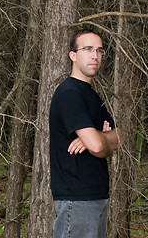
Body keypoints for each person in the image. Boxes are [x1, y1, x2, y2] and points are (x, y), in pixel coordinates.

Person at [49, 28, 123, 238]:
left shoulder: (91, 95)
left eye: (99, 50)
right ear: (73, 55)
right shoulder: (69, 94)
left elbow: (119, 138)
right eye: (88, 49)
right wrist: (97, 139)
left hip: (96, 196)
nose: (95, 55)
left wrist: (96, 135)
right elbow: (99, 147)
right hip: (76, 198)